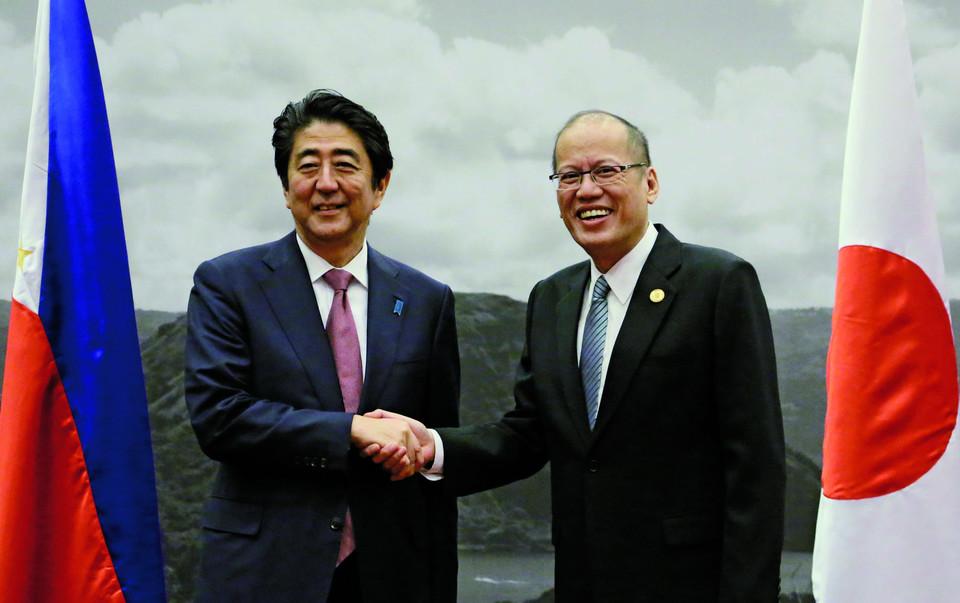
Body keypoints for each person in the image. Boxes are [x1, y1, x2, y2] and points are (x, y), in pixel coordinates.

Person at [368, 111, 785, 602]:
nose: (587, 190)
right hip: (582, 582)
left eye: (606, 171)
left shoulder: (718, 283)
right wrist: (432, 446)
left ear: (650, 183)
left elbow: (755, 465)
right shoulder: (553, 298)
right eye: (569, 176)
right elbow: (527, 434)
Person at [184, 89, 459, 603]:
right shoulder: (228, 283)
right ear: (286, 188)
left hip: (391, 574)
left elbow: (436, 450)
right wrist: (350, 429)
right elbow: (220, 417)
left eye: (345, 166)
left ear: (380, 186)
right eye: (308, 166)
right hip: (264, 572)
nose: (326, 183)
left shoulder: (427, 300)